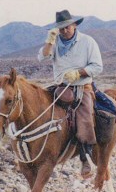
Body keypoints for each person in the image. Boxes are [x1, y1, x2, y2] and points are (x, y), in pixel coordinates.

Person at [38, 9, 103, 178]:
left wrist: (79, 73)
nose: (64, 30)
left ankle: (86, 157)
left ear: (74, 25)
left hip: (81, 87)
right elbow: (42, 57)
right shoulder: (55, 42)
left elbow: (97, 66)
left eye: (67, 27)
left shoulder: (88, 42)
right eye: (61, 28)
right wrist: (49, 41)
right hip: (60, 86)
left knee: (85, 113)